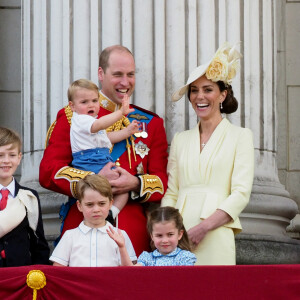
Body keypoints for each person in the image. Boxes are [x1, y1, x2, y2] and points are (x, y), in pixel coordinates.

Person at [39, 45, 168, 256]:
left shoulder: (151, 123)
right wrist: (93, 179)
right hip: (83, 231)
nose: (125, 82)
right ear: (101, 74)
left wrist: (135, 183)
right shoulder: (73, 116)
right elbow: (48, 171)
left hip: (133, 236)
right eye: (117, 74)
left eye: (130, 75)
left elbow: (162, 181)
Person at [161, 42, 254, 265]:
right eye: (194, 90)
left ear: (223, 95)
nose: (199, 97)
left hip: (216, 233)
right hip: (178, 237)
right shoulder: (180, 140)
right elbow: (172, 193)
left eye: (208, 89)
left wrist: (204, 227)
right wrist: (164, 230)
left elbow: (240, 194)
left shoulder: (241, 136)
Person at [68, 78, 140, 218]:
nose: (91, 105)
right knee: (97, 192)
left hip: (101, 158)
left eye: (95, 101)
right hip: (89, 161)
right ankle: (99, 213)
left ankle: (111, 213)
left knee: (122, 187)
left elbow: (107, 138)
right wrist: (121, 113)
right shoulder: (81, 119)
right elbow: (98, 126)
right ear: (72, 106)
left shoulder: (91, 121)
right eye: (84, 102)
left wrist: (127, 132)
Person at [50, 174, 136, 267]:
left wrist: (121, 247)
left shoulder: (120, 235)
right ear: (80, 206)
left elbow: (129, 272)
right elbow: (58, 269)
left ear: (111, 203)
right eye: (90, 204)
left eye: (102, 203)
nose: (96, 210)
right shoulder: (70, 236)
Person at [0, 127, 50, 267]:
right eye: (0, 155)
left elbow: (39, 243)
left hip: (20, 276)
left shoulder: (29, 196)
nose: (6, 161)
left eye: (12, 155)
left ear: (19, 158)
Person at [108, 206, 196, 266]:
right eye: (159, 235)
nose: (165, 240)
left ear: (180, 234)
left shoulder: (185, 257)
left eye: (170, 235)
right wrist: (122, 247)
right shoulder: (147, 258)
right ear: (152, 236)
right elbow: (131, 271)